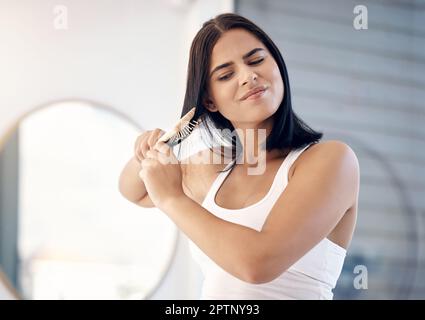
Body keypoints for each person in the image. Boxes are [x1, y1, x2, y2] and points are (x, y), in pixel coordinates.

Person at [119, 13, 359, 300]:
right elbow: (133, 190)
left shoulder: (331, 160)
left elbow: (258, 264)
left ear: (277, 65)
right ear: (209, 100)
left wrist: (173, 198)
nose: (248, 76)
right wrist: (151, 147)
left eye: (256, 60)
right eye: (225, 75)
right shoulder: (215, 166)